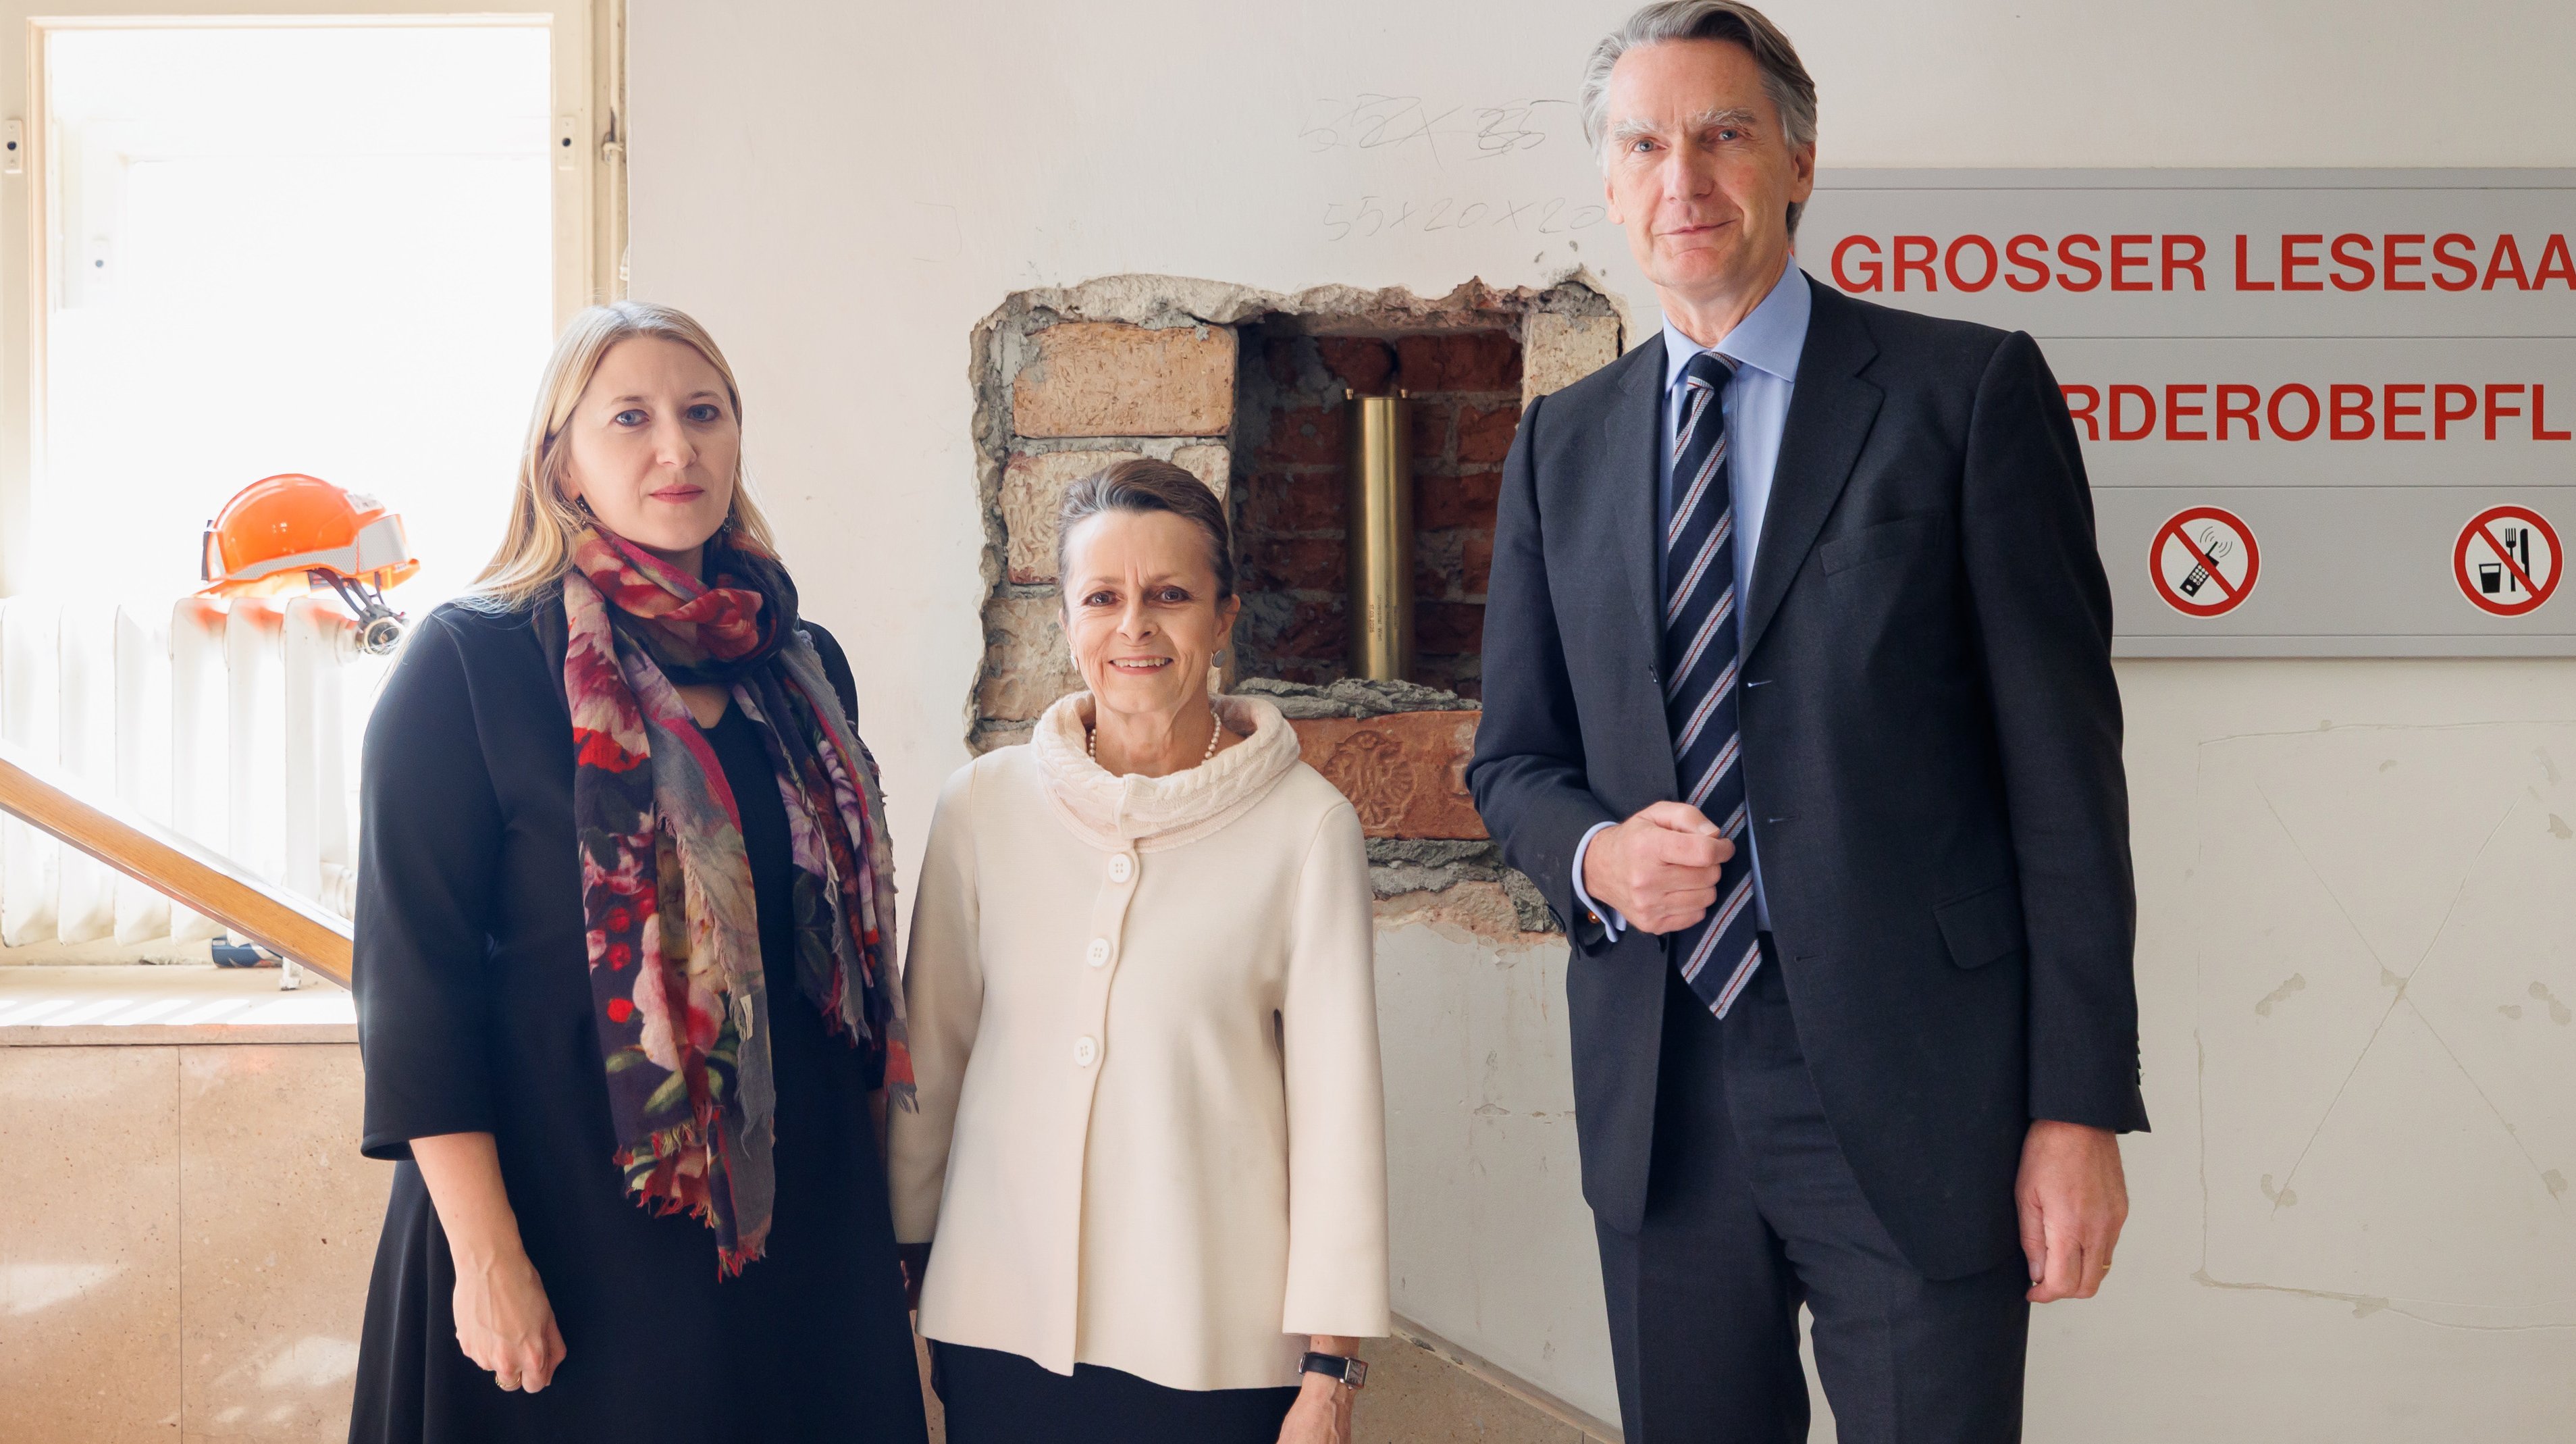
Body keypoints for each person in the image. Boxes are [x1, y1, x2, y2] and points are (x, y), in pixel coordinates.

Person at [1467, 4, 2147, 1440]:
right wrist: (1595, 855)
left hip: (1921, 1091)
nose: (1683, 179)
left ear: (1800, 160)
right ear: (1606, 178)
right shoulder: (1563, 446)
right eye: (1645, 143)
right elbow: (1515, 759)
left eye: (1723, 134)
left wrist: (2077, 1107)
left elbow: (2066, 783)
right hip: (1664, 1093)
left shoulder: (1963, 396)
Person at [346, 301, 929, 1444]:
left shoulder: (803, 670)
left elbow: (837, 981)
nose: (678, 446)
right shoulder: (466, 663)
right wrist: (486, 1258)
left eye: (703, 412)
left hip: (789, 1228)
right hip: (558, 1226)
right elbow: (411, 988)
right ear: (560, 462)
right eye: (632, 417)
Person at [889, 459, 1388, 1444]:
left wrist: (1331, 1373)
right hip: (999, 1329)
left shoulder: (1306, 829)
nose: (1135, 627)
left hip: (1215, 1349)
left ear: (1225, 615)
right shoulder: (982, 807)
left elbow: (1339, 1120)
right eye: (1103, 597)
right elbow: (931, 1067)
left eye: (1170, 595)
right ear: (1066, 617)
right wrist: (902, 1283)